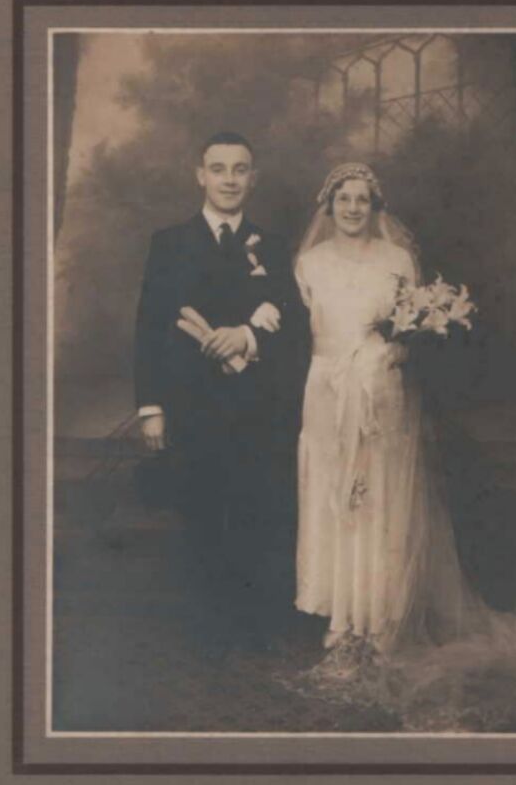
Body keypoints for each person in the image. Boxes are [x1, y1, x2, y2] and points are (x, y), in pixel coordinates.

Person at [290, 163, 516, 731]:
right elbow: (304, 337)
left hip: (385, 394)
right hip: (328, 394)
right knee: (338, 500)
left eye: (363, 199)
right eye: (344, 199)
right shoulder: (307, 265)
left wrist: (394, 354)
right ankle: (341, 621)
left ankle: (381, 617)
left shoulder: (397, 261)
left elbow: (414, 335)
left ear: (376, 206)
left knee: (380, 501)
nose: (353, 208)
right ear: (328, 205)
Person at [134, 131, 301, 650]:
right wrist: (151, 407)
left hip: (256, 407)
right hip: (192, 404)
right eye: (219, 168)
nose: (230, 179)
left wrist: (246, 335)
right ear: (200, 175)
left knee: (256, 509)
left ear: (254, 178)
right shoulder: (169, 242)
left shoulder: (272, 245)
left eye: (240, 169)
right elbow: (149, 327)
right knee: (201, 509)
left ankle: (251, 625)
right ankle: (205, 630)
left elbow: (293, 323)